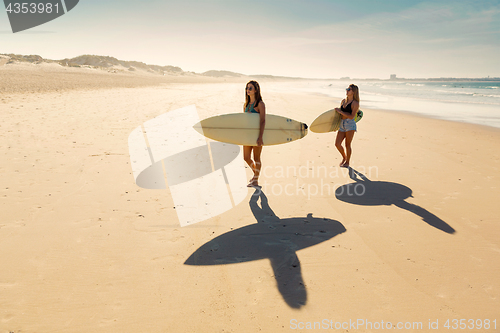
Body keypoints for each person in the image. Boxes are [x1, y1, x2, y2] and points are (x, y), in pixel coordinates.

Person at [243, 80, 266, 187]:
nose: (248, 90)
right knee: (246, 157)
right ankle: (255, 175)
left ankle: (256, 180)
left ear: (256, 90)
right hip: (247, 135)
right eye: (247, 88)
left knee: (256, 158)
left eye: (250, 88)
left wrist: (260, 137)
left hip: (257, 135)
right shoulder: (246, 104)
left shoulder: (260, 104)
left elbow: (262, 121)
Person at [334, 84, 359, 168]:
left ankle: (347, 162)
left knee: (347, 145)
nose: (347, 90)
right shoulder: (343, 101)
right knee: (337, 144)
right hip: (341, 124)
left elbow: (352, 116)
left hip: (350, 124)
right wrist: (335, 125)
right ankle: (344, 157)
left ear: (353, 92)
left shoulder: (355, 103)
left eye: (349, 89)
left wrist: (340, 112)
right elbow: (339, 115)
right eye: (347, 89)